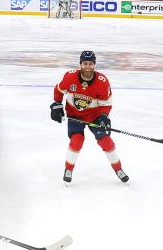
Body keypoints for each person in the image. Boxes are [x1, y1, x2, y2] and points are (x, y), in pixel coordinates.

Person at [50, 50, 127, 186]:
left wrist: (104, 116)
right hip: (75, 115)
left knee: (106, 141)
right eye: (85, 63)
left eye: (90, 63)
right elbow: (58, 90)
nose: (87, 66)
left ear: (94, 65)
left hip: (95, 116)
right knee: (77, 141)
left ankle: (118, 169)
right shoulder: (70, 77)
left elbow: (106, 103)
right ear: (80, 64)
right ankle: (68, 170)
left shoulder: (102, 81)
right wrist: (57, 104)